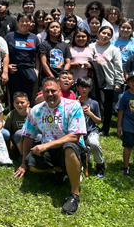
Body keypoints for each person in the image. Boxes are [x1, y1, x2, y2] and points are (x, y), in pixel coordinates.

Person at [14, 77, 87, 215]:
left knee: (69, 148)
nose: (50, 94)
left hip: (73, 147)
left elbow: (75, 136)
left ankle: (74, 195)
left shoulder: (73, 106)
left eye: (53, 90)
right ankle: (62, 171)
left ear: (59, 90)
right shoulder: (37, 110)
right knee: (32, 162)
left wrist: (46, 145)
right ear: (42, 92)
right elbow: (28, 136)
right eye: (47, 91)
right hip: (50, 149)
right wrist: (23, 163)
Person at [91, 25, 123, 135]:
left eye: (109, 34)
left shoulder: (114, 49)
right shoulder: (91, 47)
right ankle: (91, 126)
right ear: (98, 33)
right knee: (94, 103)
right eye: (103, 33)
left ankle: (105, 129)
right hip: (93, 81)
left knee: (107, 106)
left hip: (108, 81)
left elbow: (118, 66)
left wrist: (118, 82)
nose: (105, 36)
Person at [5, 13, 40, 105]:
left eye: (27, 21)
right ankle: (14, 117)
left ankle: (27, 117)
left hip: (29, 70)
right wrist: (7, 66)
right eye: (22, 21)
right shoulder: (9, 36)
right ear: (17, 23)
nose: (24, 23)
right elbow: (5, 54)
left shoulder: (34, 37)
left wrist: (36, 71)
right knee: (15, 97)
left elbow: (37, 56)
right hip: (14, 70)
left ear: (30, 23)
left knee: (28, 98)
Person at [76, 77, 106, 178]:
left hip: (91, 131)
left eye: (87, 87)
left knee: (94, 143)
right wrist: (78, 108)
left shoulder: (94, 103)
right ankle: (83, 159)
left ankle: (100, 164)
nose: (84, 89)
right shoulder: (74, 103)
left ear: (91, 88)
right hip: (78, 133)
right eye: (82, 87)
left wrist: (90, 113)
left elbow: (99, 121)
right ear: (77, 88)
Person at [5, 91, 30, 156]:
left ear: (28, 103)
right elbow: (7, 133)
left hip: (31, 137)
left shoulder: (33, 113)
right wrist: (8, 149)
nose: (19, 105)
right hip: (17, 138)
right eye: (17, 103)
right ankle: (23, 156)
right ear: (13, 104)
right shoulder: (11, 115)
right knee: (20, 133)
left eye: (22, 102)